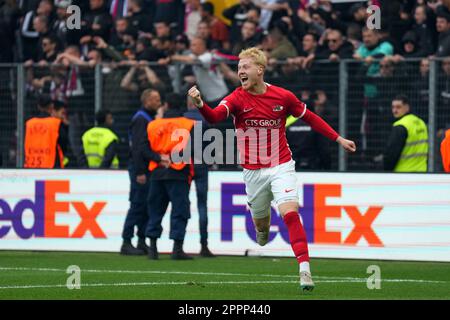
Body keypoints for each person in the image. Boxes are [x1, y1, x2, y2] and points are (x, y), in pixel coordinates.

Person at [188, 47, 356, 291]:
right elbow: (214, 118)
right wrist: (201, 103)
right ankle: (262, 231)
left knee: (290, 213)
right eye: (238, 69)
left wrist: (338, 138)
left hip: (281, 164)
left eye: (245, 67)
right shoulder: (236, 98)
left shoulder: (283, 97)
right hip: (253, 171)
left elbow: (310, 118)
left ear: (260, 70)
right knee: (262, 228)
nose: (240, 72)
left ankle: (305, 270)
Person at [144, 93, 196, 260]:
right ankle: (177, 249)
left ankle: (152, 248)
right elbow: (193, 149)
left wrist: (160, 158)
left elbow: (143, 149)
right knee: (180, 211)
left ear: (165, 105)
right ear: (184, 106)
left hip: (157, 172)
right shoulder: (189, 124)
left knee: (155, 210)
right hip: (179, 172)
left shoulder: (152, 125)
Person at [120, 89, 169, 255]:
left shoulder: (145, 118)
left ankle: (141, 240)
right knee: (137, 204)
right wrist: (141, 170)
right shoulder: (142, 119)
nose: (159, 102)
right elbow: (139, 148)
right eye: (156, 99)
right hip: (140, 169)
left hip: (144, 168)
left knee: (145, 205)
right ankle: (126, 241)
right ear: (146, 101)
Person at [184, 96, 215, 257]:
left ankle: (178, 244)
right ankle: (204, 245)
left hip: (184, 165)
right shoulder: (205, 119)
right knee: (202, 205)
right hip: (202, 163)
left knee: (181, 204)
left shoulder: (181, 119)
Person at [383, 95, 428, 172]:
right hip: (422, 171)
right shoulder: (421, 123)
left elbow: (392, 154)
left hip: (403, 172)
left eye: (398, 107)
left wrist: (387, 170)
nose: (394, 110)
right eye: (393, 107)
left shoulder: (401, 125)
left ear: (407, 107)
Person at [24, 95, 68, 169]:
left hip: (31, 165)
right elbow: (64, 142)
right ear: (51, 106)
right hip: (52, 165)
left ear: (38, 106)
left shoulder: (29, 123)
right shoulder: (55, 123)